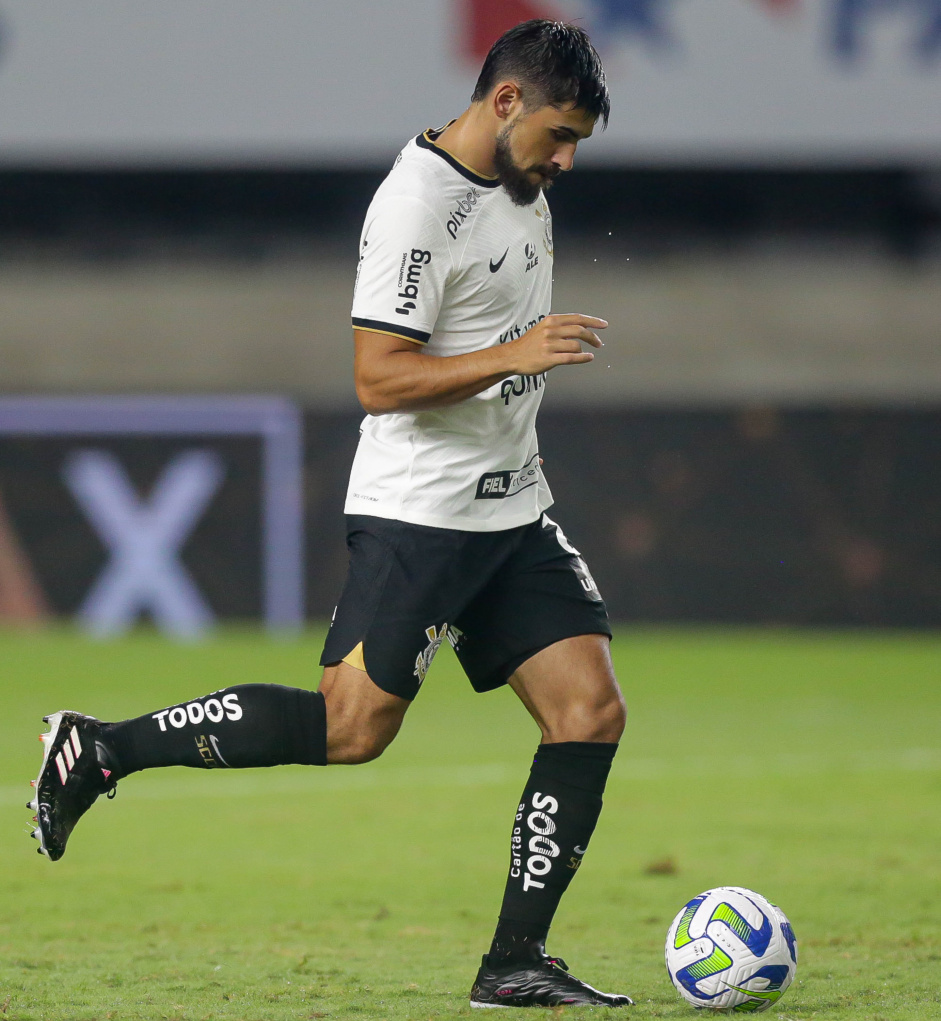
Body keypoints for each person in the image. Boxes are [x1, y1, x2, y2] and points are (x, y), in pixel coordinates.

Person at [28, 20, 632, 1009]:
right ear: (506, 102)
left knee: (589, 710)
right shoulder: (416, 206)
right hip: (422, 515)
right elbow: (376, 376)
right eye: (558, 136)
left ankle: (513, 961)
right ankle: (103, 747)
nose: (564, 161)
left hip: (511, 506)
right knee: (352, 729)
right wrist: (510, 356)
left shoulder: (517, 183)